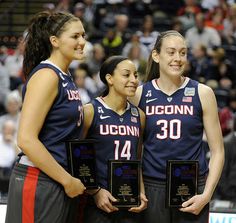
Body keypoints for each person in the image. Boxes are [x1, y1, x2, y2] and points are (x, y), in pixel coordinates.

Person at [129, 30, 224, 223]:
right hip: (152, 186)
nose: (178, 58)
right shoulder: (139, 94)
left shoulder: (203, 93)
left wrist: (206, 195)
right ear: (156, 55)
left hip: (192, 187)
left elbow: (218, 151)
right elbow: (134, 150)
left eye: (182, 53)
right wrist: (138, 187)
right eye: (171, 52)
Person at [5, 11, 86, 223]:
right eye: (75, 36)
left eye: (83, 36)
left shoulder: (65, 76)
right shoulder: (47, 75)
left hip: (56, 179)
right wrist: (67, 180)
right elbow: (26, 139)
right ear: (55, 41)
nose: (82, 42)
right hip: (39, 178)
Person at [82, 56, 148, 223]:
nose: (134, 80)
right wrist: (95, 191)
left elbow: (137, 159)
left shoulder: (139, 116)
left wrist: (140, 191)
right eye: (126, 75)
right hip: (97, 202)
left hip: (129, 203)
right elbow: (78, 158)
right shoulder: (90, 111)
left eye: (135, 75)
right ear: (109, 79)